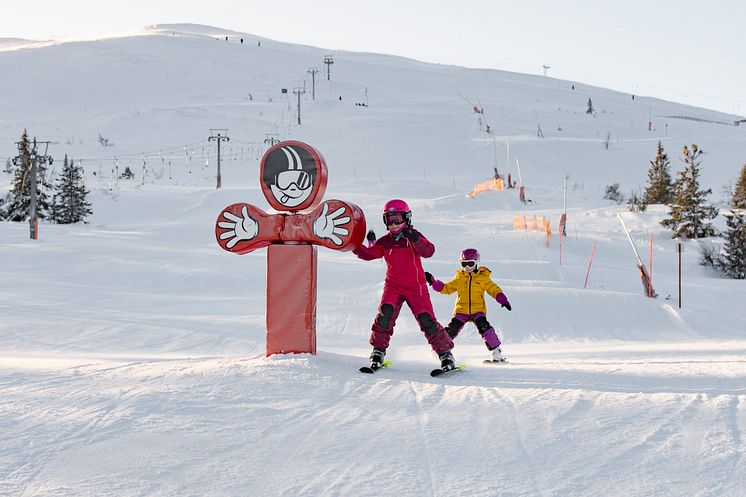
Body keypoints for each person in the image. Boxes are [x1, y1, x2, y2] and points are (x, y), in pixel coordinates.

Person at [353, 199, 456, 370]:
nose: (393, 224)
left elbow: (429, 251)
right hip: (393, 285)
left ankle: (445, 354)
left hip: (416, 287)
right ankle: (378, 350)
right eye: (389, 220)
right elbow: (369, 254)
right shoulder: (386, 241)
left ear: (406, 218)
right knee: (385, 314)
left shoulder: (413, 236)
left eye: (397, 219)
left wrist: (414, 238)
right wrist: (353, 244)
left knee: (426, 319)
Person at [425, 248, 511, 363]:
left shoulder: (483, 277)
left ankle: (496, 353)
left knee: (485, 328)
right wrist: (433, 282)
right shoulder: (459, 277)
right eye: (464, 264)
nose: (467, 267)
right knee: (451, 330)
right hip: (461, 311)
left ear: (476, 263)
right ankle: (441, 350)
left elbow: (494, 289)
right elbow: (446, 288)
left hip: (477, 311)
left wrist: (503, 300)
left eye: (470, 264)